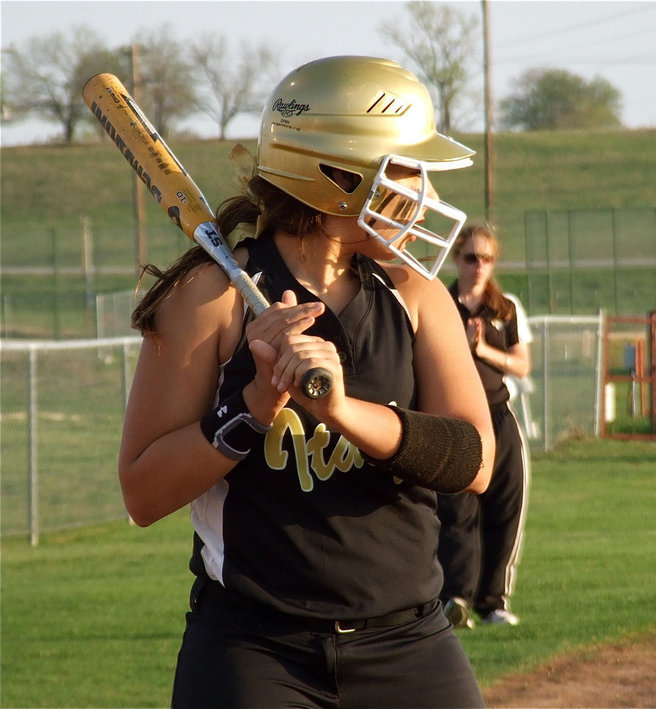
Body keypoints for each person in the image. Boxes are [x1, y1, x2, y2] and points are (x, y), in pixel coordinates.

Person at [117, 56, 495, 709]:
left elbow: (475, 460)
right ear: (338, 177)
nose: (424, 192)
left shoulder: (417, 294)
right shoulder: (210, 297)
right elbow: (142, 492)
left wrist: (341, 410)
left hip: (409, 641)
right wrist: (254, 405)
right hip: (254, 649)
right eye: (406, 169)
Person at [437, 223, 532, 628]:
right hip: (454, 418)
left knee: (504, 508)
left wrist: (482, 350)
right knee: (457, 511)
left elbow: (522, 365)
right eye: (471, 257)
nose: (479, 266)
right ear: (457, 258)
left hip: (498, 414)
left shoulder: (504, 308)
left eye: (487, 258)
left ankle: (493, 603)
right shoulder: (440, 302)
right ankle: (456, 597)